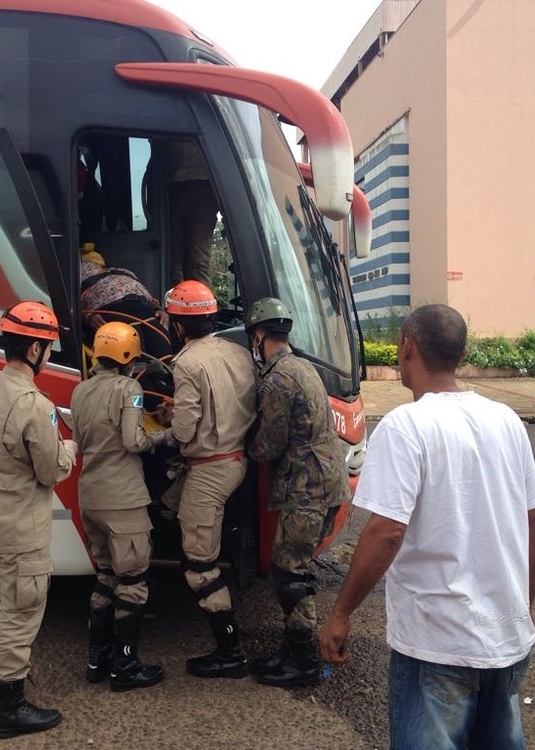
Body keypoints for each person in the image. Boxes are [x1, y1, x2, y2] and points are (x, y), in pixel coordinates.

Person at [319, 304, 535, 750]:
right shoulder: (506, 420)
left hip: (438, 642)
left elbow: (386, 533)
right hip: (507, 636)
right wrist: (523, 605)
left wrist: (341, 613)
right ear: (461, 353)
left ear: (407, 347)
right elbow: (534, 521)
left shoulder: (406, 426)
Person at [0, 301, 78, 740]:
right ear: (32, 351)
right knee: (19, 613)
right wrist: (71, 447)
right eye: (47, 347)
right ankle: (9, 709)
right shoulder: (33, 403)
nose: (48, 355)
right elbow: (50, 470)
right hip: (21, 532)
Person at [244, 297, 349, 687]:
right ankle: (293, 650)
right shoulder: (303, 367)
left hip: (306, 489)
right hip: (327, 483)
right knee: (295, 566)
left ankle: (303, 660)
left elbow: (268, 446)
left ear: (258, 335)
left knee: (290, 570)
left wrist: (242, 449)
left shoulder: (278, 379)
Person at [158, 279, 258, 678]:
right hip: (236, 458)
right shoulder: (238, 351)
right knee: (167, 507)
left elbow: (184, 432)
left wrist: (161, 426)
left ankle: (229, 651)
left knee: (199, 565)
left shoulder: (186, 363)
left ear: (179, 326)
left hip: (208, 468)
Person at [71, 321, 169, 693]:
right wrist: (163, 437)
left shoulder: (81, 390)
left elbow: (81, 440)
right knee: (133, 581)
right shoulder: (129, 388)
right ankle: (125, 667)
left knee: (106, 579)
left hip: (91, 497)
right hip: (122, 499)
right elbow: (132, 441)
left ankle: (98, 662)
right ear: (128, 357)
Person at [79, 243, 172, 362]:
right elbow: (69, 309)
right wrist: (87, 316)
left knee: (158, 353)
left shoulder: (123, 272)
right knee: (158, 353)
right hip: (118, 310)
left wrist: (159, 309)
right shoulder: (79, 273)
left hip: (142, 309)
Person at [167, 140, 219, 286]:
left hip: (203, 188)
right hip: (171, 188)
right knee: (170, 258)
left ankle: (200, 304)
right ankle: (174, 300)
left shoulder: (209, 127)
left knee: (198, 258)